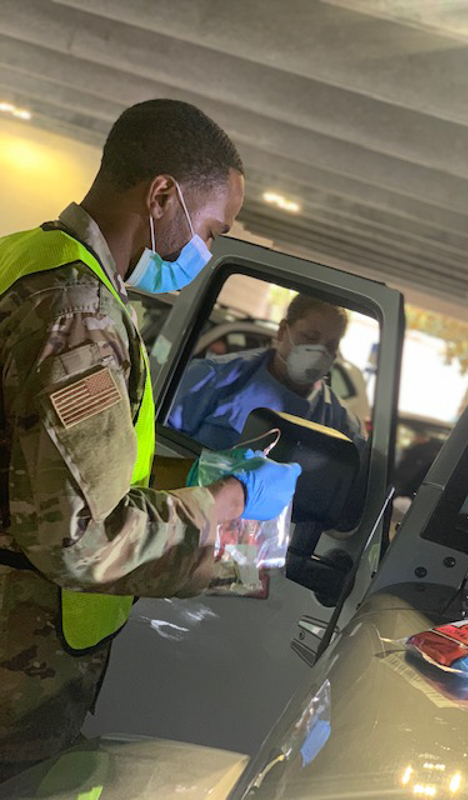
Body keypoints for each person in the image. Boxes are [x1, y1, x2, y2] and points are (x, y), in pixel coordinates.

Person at [0, 99, 301, 782]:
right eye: (213, 228)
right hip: (14, 667)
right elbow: (87, 537)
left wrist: (180, 482)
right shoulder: (77, 311)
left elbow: (34, 460)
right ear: (162, 194)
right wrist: (226, 504)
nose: (208, 250)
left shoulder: (27, 256)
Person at [168, 294, 364, 449]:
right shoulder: (213, 378)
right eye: (310, 337)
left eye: (331, 345)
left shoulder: (342, 425)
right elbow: (161, 444)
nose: (320, 353)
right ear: (282, 331)